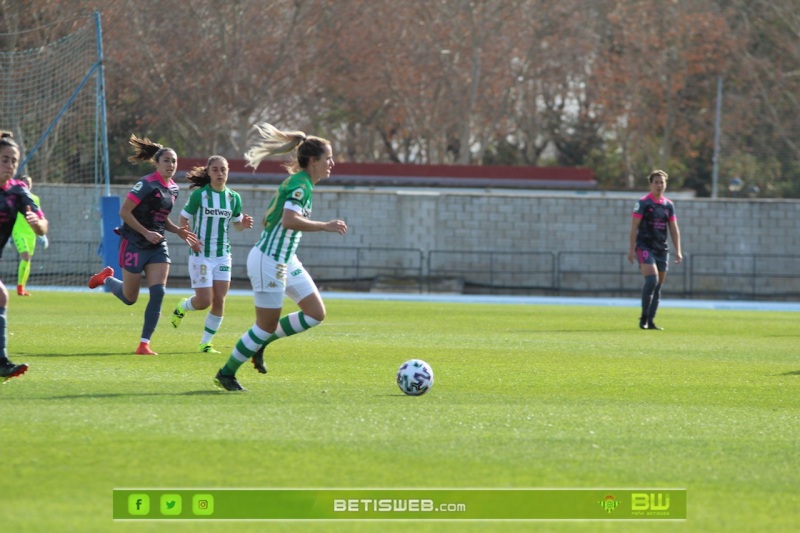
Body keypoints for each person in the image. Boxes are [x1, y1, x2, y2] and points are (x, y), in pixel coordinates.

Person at [213, 123, 347, 391]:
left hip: (285, 259)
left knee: (315, 313)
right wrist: (325, 225)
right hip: (269, 260)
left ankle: (261, 344)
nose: (332, 163)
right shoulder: (301, 185)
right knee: (264, 326)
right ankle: (226, 373)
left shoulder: (302, 183)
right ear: (313, 161)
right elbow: (288, 220)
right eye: (328, 158)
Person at [88, 134, 197, 355]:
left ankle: (144, 343)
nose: (171, 165)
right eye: (166, 160)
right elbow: (124, 212)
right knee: (130, 299)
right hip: (134, 242)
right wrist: (146, 233)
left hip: (157, 245)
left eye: (174, 161)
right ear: (156, 163)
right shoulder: (146, 184)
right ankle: (107, 278)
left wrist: (176, 230)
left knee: (158, 293)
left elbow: (160, 216)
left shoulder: (174, 188)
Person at [170, 155, 254, 353]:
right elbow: (183, 218)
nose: (219, 173)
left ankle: (205, 343)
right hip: (201, 254)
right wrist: (190, 239)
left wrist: (243, 225)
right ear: (208, 172)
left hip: (223, 254)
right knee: (203, 301)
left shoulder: (234, 198)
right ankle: (183, 306)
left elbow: (236, 225)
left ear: (228, 172)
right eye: (215, 169)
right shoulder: (200, 195)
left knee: (219, 299)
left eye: (223, 169)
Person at [0, 132, 48, 381]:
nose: (10, 166)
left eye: (14, 161)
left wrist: (37, 225)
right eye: (5, 159)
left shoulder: (18, 192)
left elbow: (43, 223)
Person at [628, 169, 683, 330]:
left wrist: (678, 250)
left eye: (662, 182)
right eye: (656, 182)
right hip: (645, 247)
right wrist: (631, 250)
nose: (659, 185)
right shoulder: (643, 203)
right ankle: (643, 318)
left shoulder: (668, 205)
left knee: (658, 285)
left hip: (661, 249)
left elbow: (674, 229)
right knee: (651, 280)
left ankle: (651, 321)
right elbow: (634, 228)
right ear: (650, 184)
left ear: (665, 185)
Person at [12, 175, 48, 296]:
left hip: (31, 233)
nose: (27, 184)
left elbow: (39, 217)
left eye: (29, 182)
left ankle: (22, 287)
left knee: (28, 261)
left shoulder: (35, 199)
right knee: (25, 257)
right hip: (18, 231)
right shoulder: (15, 198)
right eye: (25, 182)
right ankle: (19, 287)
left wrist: (42, 236)